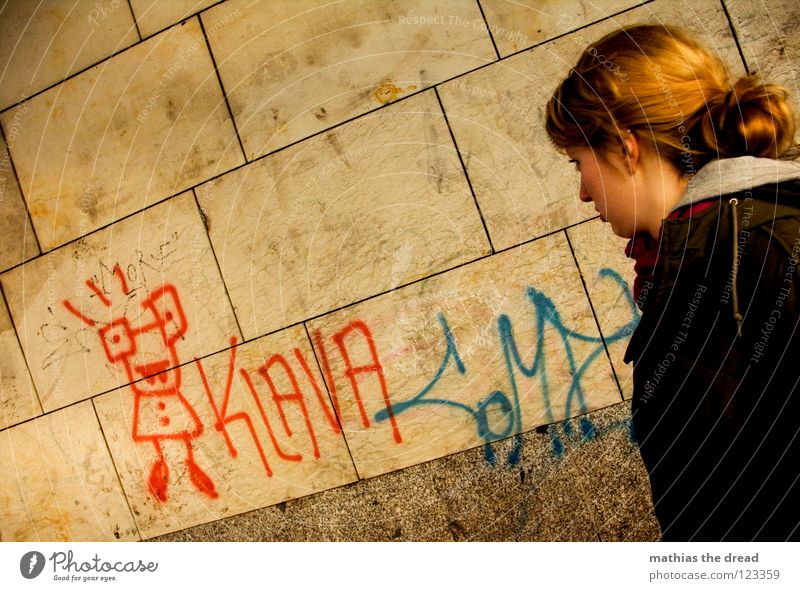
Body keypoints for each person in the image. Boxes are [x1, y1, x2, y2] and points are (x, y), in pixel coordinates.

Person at [545, 23, 800, 541]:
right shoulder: (704, 253)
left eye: (579, 164)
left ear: (625, 147)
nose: (583, 194)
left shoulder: (754, 249)